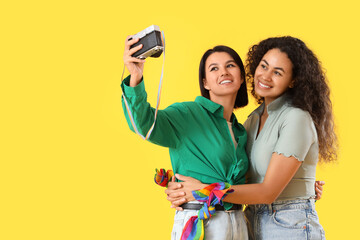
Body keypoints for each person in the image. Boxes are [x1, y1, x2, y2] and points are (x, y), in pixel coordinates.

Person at [166, 36, 337, 240]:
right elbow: (240, 178)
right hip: (251, 222)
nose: (265, 76)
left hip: (289, 225)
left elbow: (268, 192)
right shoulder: (251, 122)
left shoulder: (296, 118)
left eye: (277, 72)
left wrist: (205, 190)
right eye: (263, 66)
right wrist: (181, 189)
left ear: (293, 81)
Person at [121, 36, 250, 240]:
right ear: (205, 83)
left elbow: (255, 182)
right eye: (214, 68)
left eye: (230, 65)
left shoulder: (242, 131)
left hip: (238, 223)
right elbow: (144, 125)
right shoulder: (187, 115)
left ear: (241, 77)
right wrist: (135, 76)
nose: (224, 71)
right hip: (201, 222)